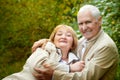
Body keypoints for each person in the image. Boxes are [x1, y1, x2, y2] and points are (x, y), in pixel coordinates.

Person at [31, 5, 119, 80]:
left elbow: (85, 78)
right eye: (80, 24)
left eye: (88, 22)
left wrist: (54, 75)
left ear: (99, 21)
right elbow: (66, 45)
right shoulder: (83, 40)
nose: (84, 28)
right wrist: (46, 41)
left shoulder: (106, 46)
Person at [2, 24, 85, 80]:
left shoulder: (77, 61)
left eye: (68, 35)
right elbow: (39, 67)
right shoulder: (45, 48)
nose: (63, 37)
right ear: (53, 40)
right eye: (59, 34)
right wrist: (69, 68)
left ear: (73, 43)